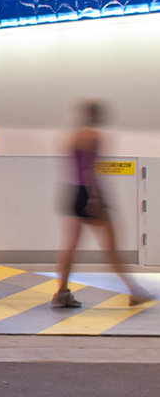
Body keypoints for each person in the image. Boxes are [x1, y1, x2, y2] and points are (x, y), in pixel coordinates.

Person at [53, 101, 152, 308]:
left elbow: (76, 167)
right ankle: (135, 291)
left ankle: (61, 292)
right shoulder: (94, 136)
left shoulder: (72, 136)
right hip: (91, 194)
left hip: (74, 192)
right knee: (112, 246)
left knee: (70, 246)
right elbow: (90, 169)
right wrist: (95, 198)